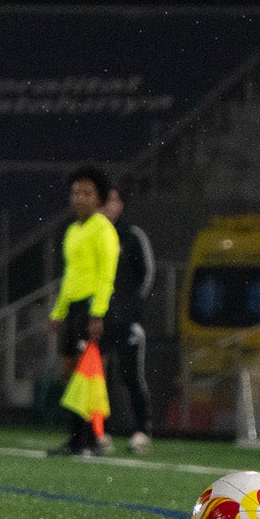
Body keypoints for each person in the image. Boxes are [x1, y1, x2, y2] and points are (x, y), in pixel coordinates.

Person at [46, 164, 121, 457]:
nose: (80, 198)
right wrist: (57, 312)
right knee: (70, 373)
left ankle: (86, 439)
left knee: (85, 376)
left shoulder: (102, 229)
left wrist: (97, 313)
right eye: (76, 192)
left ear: (99, 198)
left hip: (93, 307)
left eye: (87, 193)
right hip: (74, 307)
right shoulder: (73, 231)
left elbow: (107, 273)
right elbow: (69, 276)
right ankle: (85, 437)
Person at [100, 184, 157, 454]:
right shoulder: (94, 234)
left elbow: (146, 275)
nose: (107, 206)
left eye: (112, 200)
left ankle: (142, 430)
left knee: (131, 375)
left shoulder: (132, 236)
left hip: (126, 321)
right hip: (99, 320)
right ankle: (101, 431)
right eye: (104, 201)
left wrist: (130, 310)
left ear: (121, 204)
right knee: (98, 379)